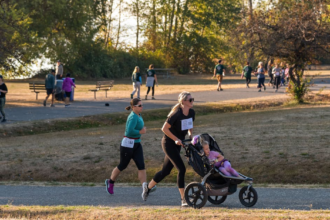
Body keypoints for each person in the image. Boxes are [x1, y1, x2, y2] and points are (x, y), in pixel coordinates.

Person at [143, 91, 195, 207]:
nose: (192, 101)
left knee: (165, 171)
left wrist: (191, 136)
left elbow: (190, 125)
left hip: (178, 143)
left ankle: (148, 187)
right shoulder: (176, 114)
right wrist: (176, 139)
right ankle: (183, 199)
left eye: (193, 99)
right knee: (181, 169)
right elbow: (164, 128)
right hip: (168, 143)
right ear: (183, 102)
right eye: (190, 100)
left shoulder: (191, 112)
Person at [105, 98, 149, 200]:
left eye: (142, 105)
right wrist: (141, 131)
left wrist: (140, 131)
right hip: (128, 145)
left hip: (137, 144)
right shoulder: (133, 117)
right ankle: (110, 182)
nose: (142, 107)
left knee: (141, 166)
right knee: (123, 165)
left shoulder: (139, 115)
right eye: (140, 106)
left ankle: (145, 188)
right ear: (134, 107)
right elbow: (129, 132)